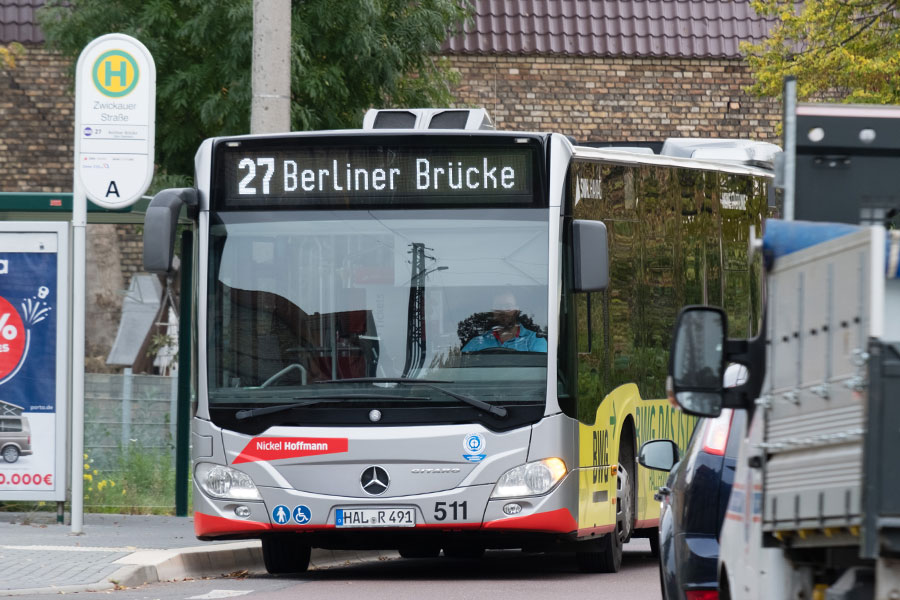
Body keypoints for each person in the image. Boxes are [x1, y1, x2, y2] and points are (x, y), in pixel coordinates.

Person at [462, 291, 547, 353]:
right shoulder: (477, 343)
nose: (503, 310)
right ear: (493, 312)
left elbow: (542, 374)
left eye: (508, 306)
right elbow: (460, 371)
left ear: (517, 310)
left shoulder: (535, 341)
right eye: (498, 306)